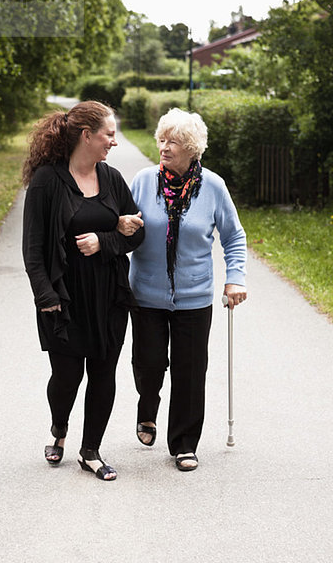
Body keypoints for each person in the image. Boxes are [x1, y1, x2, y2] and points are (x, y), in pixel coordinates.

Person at [118, 107, 247, 471]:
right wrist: (121, 226)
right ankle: (148, 408)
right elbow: (124, 225)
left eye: (173, 141)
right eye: (162, 139)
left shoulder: (213, 187)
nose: (164, 147)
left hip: (194, 296)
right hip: (145, 294)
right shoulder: (143, 181)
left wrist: (235, 276)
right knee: (148, 364)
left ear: (192, 148)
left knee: (190, 371)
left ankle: (184, 444)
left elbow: (234, 236)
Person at [22, 101, 144, 481]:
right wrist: (46, 297)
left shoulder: (111, 179)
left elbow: (137, 230)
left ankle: (90, 450)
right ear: (86, 135)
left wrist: (106, 241)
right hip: (64, 297)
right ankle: (59, 427)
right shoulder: (47, 180)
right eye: (109, 134)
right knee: (67, 376)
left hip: (108, 294)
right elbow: (33, 246)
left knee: (105, 372)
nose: (114, 141)